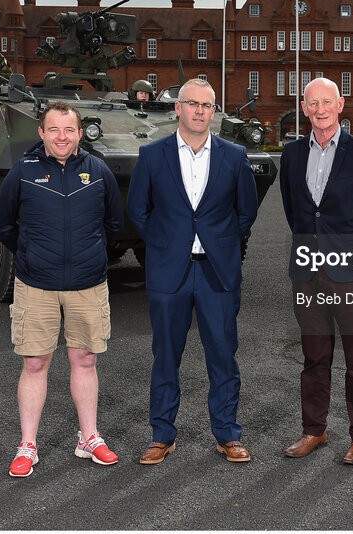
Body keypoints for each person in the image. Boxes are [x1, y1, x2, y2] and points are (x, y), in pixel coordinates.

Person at [127, 78, 258, 464]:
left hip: (218, 274)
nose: (200, 111)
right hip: (171, 273)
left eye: (207, 105)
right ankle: (161, 435)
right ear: (178, 108)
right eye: (192, 103)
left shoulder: (234, 156)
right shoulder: (152, 155)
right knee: (166, 356)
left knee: (223, 356)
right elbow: (138, 210)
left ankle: (228, 434)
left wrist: (220, 241)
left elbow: (246, 211)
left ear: (213, 112)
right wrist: (167, 242)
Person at [0, 100, 125, 478]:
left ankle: (89, 438)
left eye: (69, 130)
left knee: (85, 359)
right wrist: (33, 253)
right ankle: (28, 445)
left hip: (88, 285)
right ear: (42, 133)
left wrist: (91, 254)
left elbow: (114, 224)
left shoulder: (98, 171)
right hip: (37, 285)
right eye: (54, 129)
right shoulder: (23, 172)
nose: (61, 137)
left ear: (80, 134)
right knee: (35, 363)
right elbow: (3, 225)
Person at [279, 77, 353, 465]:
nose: (321, 110)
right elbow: (296, 213)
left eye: (328, 102)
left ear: (341, 105)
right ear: (305, 107)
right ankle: (314, 430)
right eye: (313, 103)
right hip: (307, 271)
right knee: (314, 357)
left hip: (350, 273)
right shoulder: (292, 154)